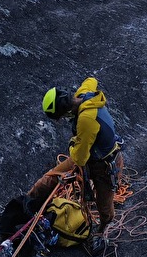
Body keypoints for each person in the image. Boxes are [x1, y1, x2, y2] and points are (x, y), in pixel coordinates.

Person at [28, 76, 123, 233]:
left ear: (64, 112)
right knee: (48, 180)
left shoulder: (86, 119)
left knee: (104, 207)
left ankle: (102, 231)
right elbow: (91, 80)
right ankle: (24, 205)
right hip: (92, 157)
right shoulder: (84, 94)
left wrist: (73, 144)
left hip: (104, 166)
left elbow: (79, 158)